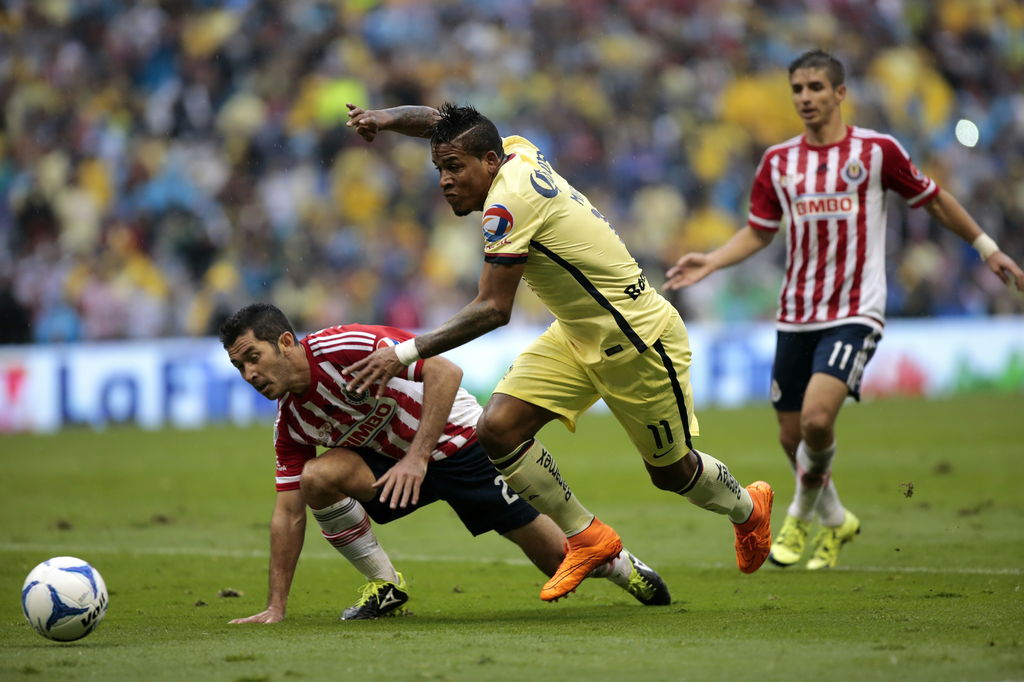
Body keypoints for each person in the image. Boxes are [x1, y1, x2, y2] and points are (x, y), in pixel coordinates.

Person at [344, 102, 774, 603]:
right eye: (439, 168)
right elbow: (446, 123)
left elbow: (492, 309)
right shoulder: (515, 149)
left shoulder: (507, 205)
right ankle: (587, 537)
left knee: (672, 473)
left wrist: (402, 355)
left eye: (454, 168)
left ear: (488, 161)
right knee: (497, 428)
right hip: (575, 333)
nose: (444, 181)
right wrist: (386, 120)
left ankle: (749, 509)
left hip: (637, 341)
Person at [665, 49, 1024, 570]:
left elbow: (933, 199)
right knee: (791, 436)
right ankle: (836, 519)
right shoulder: (778, 162)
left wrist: (987, 248)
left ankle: (798, 516)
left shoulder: (877, 152)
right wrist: (713, 260)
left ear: (840, 93)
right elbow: (761, 231)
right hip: (796, 312)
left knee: (816, 420)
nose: (805, 97)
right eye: (797, 89)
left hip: (855, 310)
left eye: (816, 87)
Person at [219, 302, 671, 623]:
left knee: (557, 562)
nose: (250, 375)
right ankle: (386, 586)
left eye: (253, 358)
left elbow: (445, 371)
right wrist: (276, 607)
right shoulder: (293, 422)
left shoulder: (346, 346)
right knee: (315, 478)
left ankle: (621, 565)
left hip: (459, 444)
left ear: (285, 342)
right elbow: (288, 514)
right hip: (396, 470)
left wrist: (418, 456)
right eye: (240, 367)